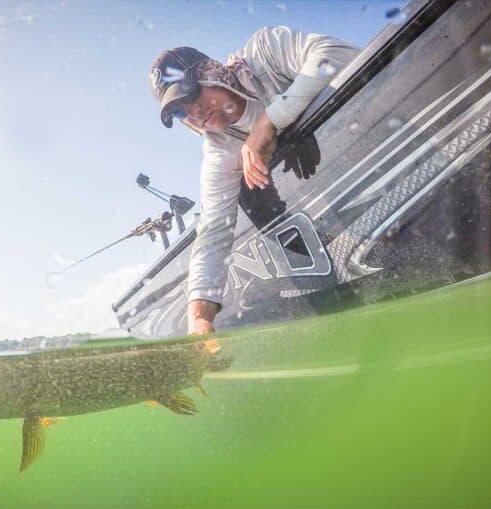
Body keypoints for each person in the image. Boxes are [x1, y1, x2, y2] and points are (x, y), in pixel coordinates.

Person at [149, 26, 359, 335]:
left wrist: (271, 122)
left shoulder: (265, 51)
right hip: (322, 217)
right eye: (181, 114)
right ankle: (339, 311)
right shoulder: (219, 153)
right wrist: (199, 319)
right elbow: (213, 233)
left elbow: (339, 56)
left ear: (211, 72)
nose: (193, 112)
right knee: (246, 191)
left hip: (370, 139)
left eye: (191, 94)